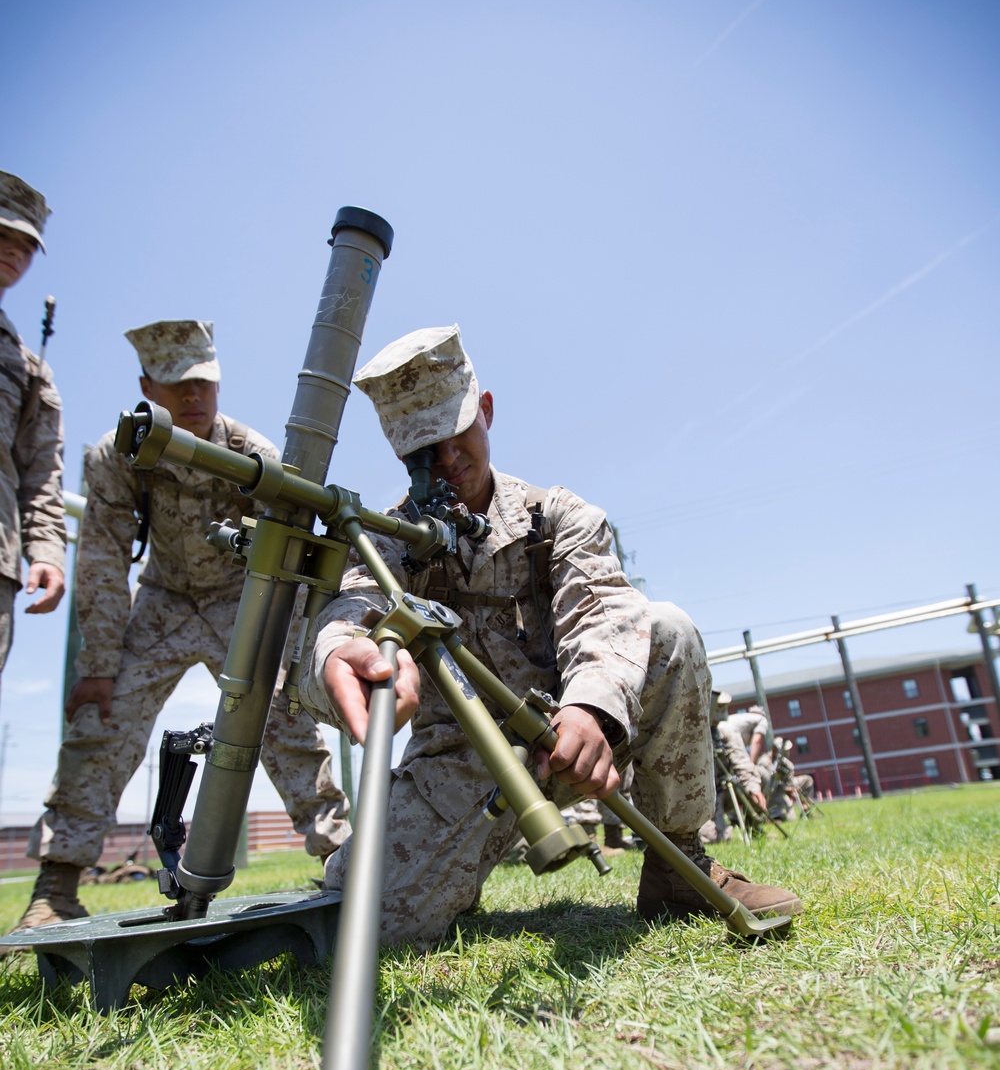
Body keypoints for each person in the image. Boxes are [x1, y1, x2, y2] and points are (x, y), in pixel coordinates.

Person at [298, 325, 803, 943]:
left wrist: (592, 707)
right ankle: (452, 879)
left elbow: (606, 614)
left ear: (485, 410)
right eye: (424, 449)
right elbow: (348, 609)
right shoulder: (388, 541)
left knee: (665, 629)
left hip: (575, 739)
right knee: (360, 922)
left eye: (457, 433)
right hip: (458, 766)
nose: (448, 461)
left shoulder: (559, 516)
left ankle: (678, 865)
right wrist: (337, 652)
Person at [14, 320, 350, 936]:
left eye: (204, 383)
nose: (194, 398)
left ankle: (339, 857)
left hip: (243, 598)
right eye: (177, 386)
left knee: (283, 716)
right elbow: (102, 565)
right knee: (102, 720)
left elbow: (294, 562)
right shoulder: (118, 457)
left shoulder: (254, 455)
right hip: (164, 600)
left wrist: (289, 654)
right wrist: (98, 668)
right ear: (148, 386)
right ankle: (56, 884)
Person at [0, 172, 66, 683]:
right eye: (2, 236)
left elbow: (40, 473)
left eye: (26, 246)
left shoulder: (26, 369)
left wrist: (45, 552)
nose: (13, 253)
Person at [700, 690, 767, 844]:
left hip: (722, 791)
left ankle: (754, 827)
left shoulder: (726, 732)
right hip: (701, 797)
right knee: (713, 836)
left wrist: (753, 787)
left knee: (761, 778)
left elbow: (741, 760)